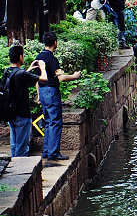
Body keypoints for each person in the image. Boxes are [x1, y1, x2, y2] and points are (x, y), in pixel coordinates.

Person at [35, 31, 81, 165]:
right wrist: (75, 76)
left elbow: (37, 80)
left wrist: (38, 95)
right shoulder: (52, 59)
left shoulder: (39, 57)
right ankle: (53, 153)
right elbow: (60, 77)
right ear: (55, 42)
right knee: (55, 122)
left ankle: (47, 151)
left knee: (48, 121)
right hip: (51, 91)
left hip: (42, 91)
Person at [2, 45, 48, 157]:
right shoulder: (22, 74)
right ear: (20, 57)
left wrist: (29, 69)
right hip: (22, 115)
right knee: (22, 147)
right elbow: (44, 79)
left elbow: (18, 78)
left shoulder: (7, 71)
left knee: (14, 144)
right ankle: (20, 171)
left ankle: (13, 168)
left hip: (11, 114)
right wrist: (42, 68)